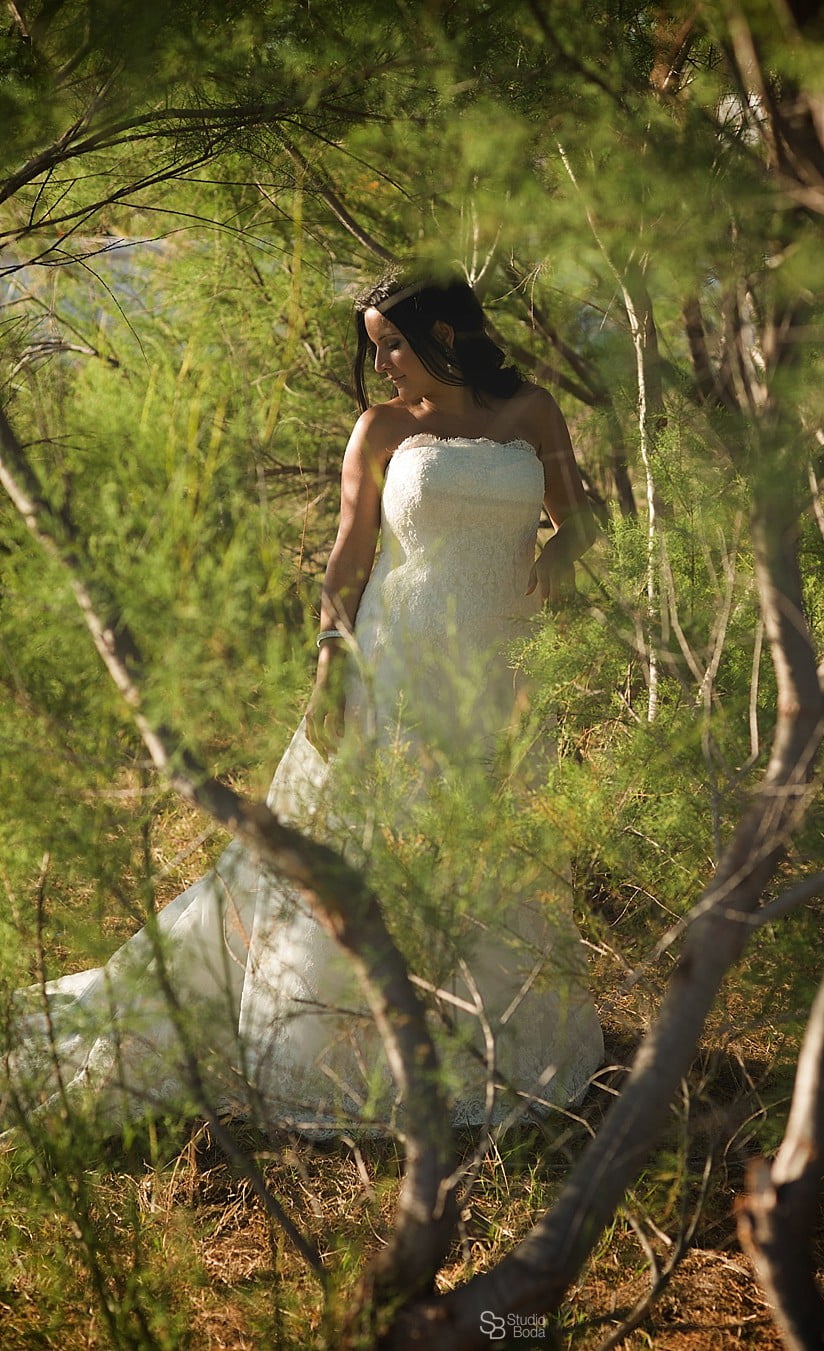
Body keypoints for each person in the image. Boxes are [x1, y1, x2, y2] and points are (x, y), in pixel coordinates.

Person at [5, 273, 604, 1139]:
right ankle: (351, 1059)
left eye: (392, 343)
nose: (383, 364)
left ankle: (495, 1042)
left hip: (501, 667)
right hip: (398, 666)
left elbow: (582, 515)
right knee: (373, 850)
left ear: (441, 331)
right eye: (375, 347)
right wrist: (332, 657)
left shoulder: (532, 413)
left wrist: (561, 554)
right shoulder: (385, 429)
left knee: (496, 848)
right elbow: (348, 560)